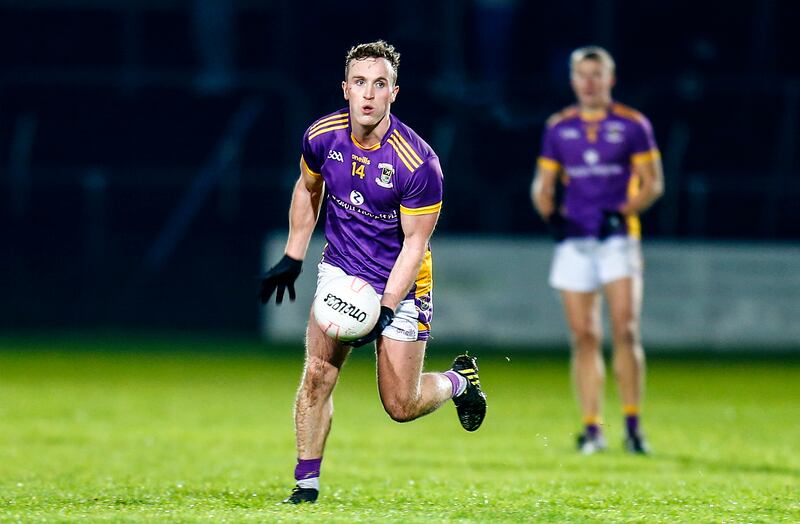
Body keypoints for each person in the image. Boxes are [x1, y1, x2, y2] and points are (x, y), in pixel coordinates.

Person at [259, 40, 487, 504]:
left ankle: (460, 381)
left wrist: (384, 310)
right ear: (345, 89)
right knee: (318, 373)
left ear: (393, 93)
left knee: (400, 406)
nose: (367, 94)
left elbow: (415, 244)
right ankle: (305, 487)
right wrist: (293, 253)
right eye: (359, 83)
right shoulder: (322, 137)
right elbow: (307, 189)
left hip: (400, 282)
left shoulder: (418, 163)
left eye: (378, 84)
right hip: (341, 269)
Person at [531, 46, 663, 455]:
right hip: (575, 242)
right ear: (573, 80)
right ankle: (593, 428)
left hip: (617, 238)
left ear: (610, 79)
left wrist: (624, 210)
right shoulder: (559, 128)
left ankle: (633, 426)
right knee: (585, 336)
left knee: (624, 330)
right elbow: (543, 185)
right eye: (582, 75)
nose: (589, 83)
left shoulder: (632, 124)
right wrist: (548, 212)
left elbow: (652, 182)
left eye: (597, 75)